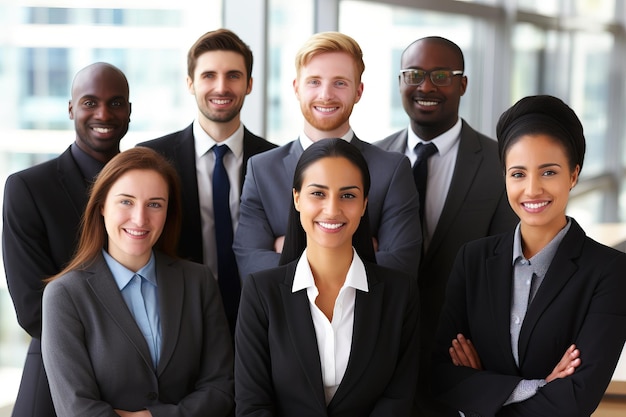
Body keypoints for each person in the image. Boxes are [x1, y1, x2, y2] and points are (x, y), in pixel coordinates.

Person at [432, 95, 626, 416]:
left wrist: (483, 386)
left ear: (574, 175)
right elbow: (441, 376)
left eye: (548, 172)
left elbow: (577, 399)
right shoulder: (473, 260)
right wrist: (537, 386)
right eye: (518, 174)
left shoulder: (609, 272)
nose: (532, 189)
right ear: (505, 177)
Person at [374, 36, 518, 416]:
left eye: (440, 75)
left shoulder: (499, 163)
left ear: (462, 84)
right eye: (414, 74)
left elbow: (506, 268)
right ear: (400, 81)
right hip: (378, 350)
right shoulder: (368, 159)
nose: (426, 86)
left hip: (462, 354)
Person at [41, 147, 234, 417]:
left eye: (155, 204)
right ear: (102, 207)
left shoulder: (198, 282)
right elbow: (76, 408)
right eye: (126, 202)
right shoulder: (65, 295)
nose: (140, 219)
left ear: (168, 212)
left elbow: (222, 388)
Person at [235, 138, 419, 416]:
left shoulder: (400, 293)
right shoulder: (261, 293)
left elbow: (398, 400)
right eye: (318, 194)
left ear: (364, 203)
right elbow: (253, 406)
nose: (332, 209)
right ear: (297, 198)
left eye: (348, 195)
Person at [234, 31, 421, 281]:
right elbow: (250, 265)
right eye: (314, 82)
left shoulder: (392, 169)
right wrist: (362, 250)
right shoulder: (262, 169)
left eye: (340, 83)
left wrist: (287, 248)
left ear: (358, 91)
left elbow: (400, 266)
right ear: (296, 88)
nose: (325, 95)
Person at [2, 62, 131, 417]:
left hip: (141, 388)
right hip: (55, 383)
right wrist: (127, 346)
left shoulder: (149, 188)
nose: (103, 113)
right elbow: (33, 309)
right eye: (90, 102)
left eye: (116, 103)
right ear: (71, 108)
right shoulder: (28, 188)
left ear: (130, 111)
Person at [138, 29, 277, 334]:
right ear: (190, 83)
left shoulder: (277, 162)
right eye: (209, 75)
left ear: (250, 84)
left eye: (233, 76)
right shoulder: (151, 158)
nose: (221, 87)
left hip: (259, 321)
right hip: (174, 320)